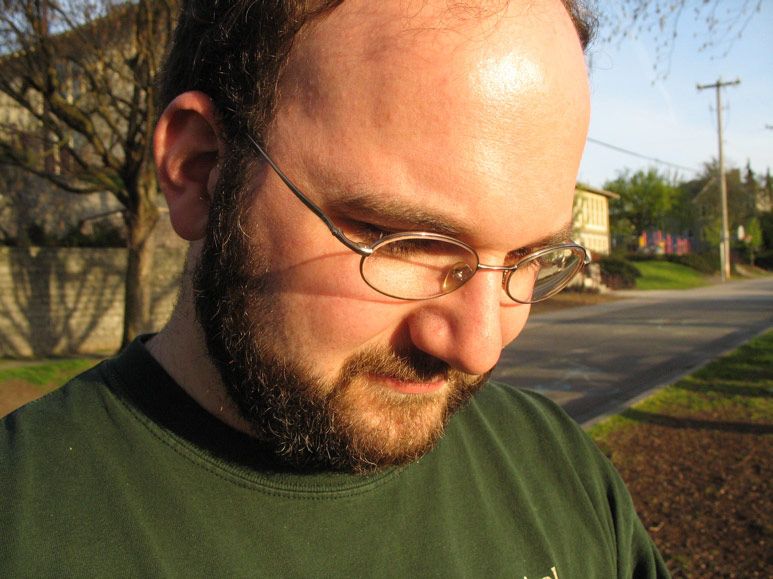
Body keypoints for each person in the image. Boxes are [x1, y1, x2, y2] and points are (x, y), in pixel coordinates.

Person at [1, 0, 670, 576]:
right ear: (199, 169)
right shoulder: (27, 529)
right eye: (403, 240)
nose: (479, 347)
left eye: (529, 257)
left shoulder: (559, 471)